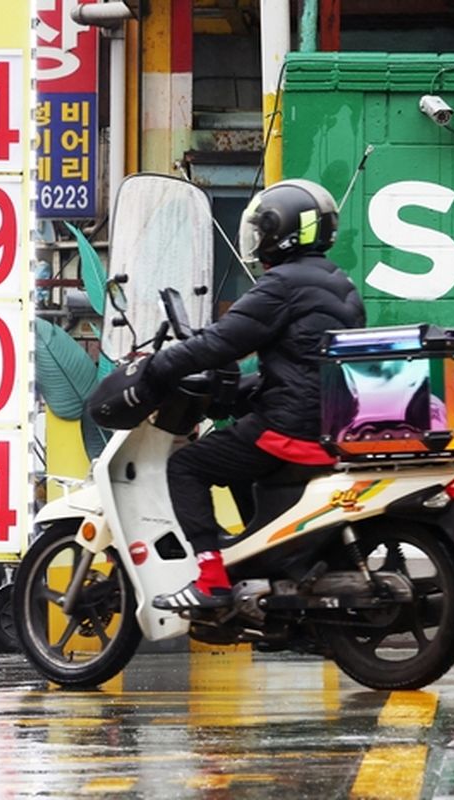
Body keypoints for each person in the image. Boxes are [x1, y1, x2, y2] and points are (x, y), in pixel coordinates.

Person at [137, 179, 365, 610]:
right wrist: (246, 389)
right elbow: (304, 360)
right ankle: (266, 568)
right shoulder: (339, 282)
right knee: (238, 460)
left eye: (263, 228)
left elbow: (221, 342)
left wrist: (160, 367)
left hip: (291, 425)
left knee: (186, 466)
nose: (257, 238)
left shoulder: (280, 285)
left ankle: (211, 580)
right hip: (329, 421)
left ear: (281, 231)